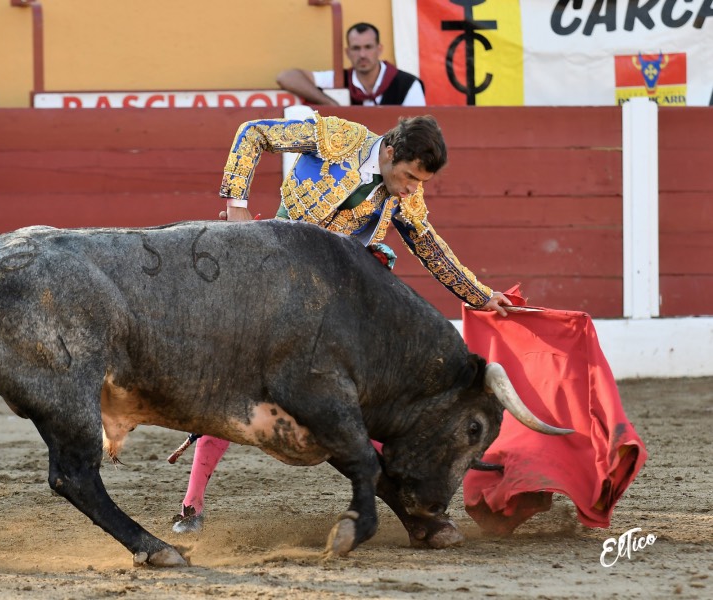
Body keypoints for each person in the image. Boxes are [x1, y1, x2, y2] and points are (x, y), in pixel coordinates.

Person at [172, 111, 512, 534]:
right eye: (407, 177)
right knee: (239, 382)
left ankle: (405, 493)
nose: (410, 189)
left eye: (418, 183)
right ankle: (191, 506)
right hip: (275, 280)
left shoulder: (407, 197)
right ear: (388, 152)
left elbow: (431, 249)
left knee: (358, 396)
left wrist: (481, 296)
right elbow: (253, 133)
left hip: (338, 305)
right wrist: (237, 212)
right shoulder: (338, 139)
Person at [276, 22, 425, 107]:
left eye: (368, 47)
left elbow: (419, 132)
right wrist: (329, 103)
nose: (362, 55)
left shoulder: (407, 84)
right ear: (347, 52)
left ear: (379, 49)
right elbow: (286, 77)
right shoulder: (339, 79)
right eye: (356, 48)